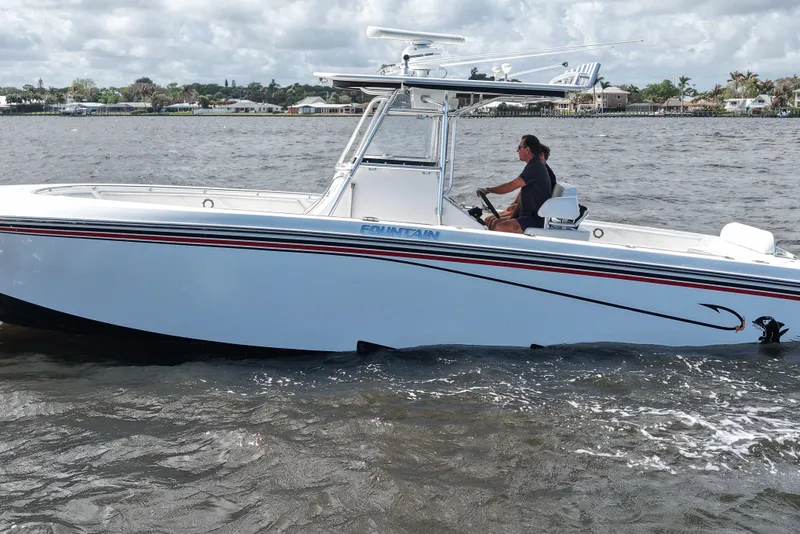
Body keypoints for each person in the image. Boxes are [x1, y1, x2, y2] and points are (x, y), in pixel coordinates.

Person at [477, 135, 553, 233]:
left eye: (519, 147)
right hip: (527, 215)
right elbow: (522, 195)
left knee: (499, 227)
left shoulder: (536, 167)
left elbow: (510, 186)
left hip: (534, 220)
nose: (517, 150)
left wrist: (488, 190)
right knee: (492, 221)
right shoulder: (533, 165)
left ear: (527, 150)